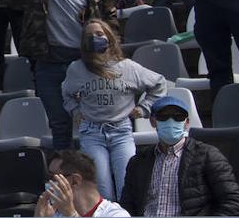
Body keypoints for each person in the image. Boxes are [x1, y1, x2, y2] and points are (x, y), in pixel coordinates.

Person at [5, 0, 118, 150]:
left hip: (86, 63)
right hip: (49, 63)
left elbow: (111, 21)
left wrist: (105, 45)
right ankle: (64, 175)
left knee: (93, 122)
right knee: (59, 123)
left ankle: (93, 174)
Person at [61, 20, 166, 200]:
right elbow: (66, 93)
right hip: (92, 133)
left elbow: (159, 83)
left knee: (127, 183)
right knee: (102, 187)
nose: (95, 38)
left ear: (109, 37)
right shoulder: (76, 69)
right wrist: (75, 111)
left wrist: (143, 108)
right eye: (89, 36)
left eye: (99, 34)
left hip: (121, 131)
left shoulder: (128, 67)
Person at [119, 95, 239, 217]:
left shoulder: (207, 155)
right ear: (153, 121)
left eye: (178, 117)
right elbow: (127, 206)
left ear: (187, 123)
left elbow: (233, 202)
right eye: (163, 116)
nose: (171, 121)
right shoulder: (138, 161)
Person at [34, 150, 130, 218]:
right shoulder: (53, 215)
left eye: (53, 177)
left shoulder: (115, 216)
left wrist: (71, 215)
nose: (49, 183)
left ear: (75, 181)